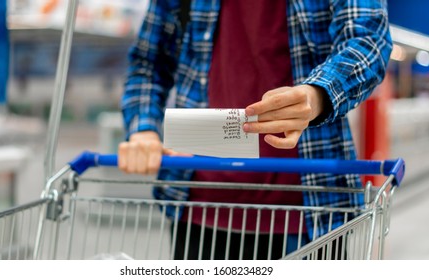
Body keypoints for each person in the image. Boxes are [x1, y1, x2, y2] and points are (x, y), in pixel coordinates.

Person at [118, 0, 392, 260]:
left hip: (309, 213)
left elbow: (369, 41)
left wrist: (317, 94)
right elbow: (148, 62)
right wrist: (144, 130)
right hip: (199, 201)